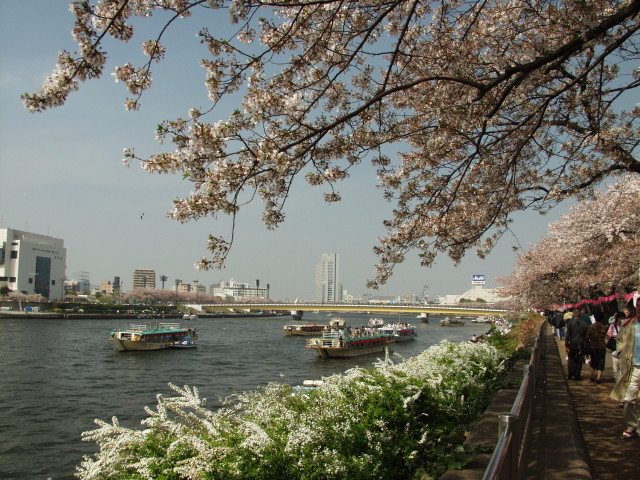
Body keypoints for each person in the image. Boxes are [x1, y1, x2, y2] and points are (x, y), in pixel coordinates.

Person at [610, 308, 640, 439]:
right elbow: (620, 340)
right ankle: (631, 425)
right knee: (628, 400)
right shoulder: (629, 324)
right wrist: (621, 351)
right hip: (632, 367)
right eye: (638, 306)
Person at [565, 309, 590, 380]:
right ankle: (577, 375)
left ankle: (570, 374)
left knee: (571, 359)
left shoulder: (570, 323)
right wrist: (586, 343)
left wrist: (566, 343)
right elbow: (586, 336)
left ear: (573, 315)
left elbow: (568, 335)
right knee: (579, 360)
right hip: (581, 344)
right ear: (580, 315)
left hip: (572, 343)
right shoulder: (584, 324)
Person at [586, 313, 607, 383]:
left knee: (593, 362)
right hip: (601, 346)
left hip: (593, 346)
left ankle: (592, 376)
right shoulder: (604, 327)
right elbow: (604, 336)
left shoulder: (591, 327)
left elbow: (587, 337)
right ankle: (598, 378)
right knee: (601, 362)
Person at [607, 312, 622, 381]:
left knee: (622, 363)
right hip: (615, 345)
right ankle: (617, 378)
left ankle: (621, 379)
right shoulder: (613, 325)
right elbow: (609, 333)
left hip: (623, 346)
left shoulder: (625, 326)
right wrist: (615, 336)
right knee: (615, 363)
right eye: (621, 318)